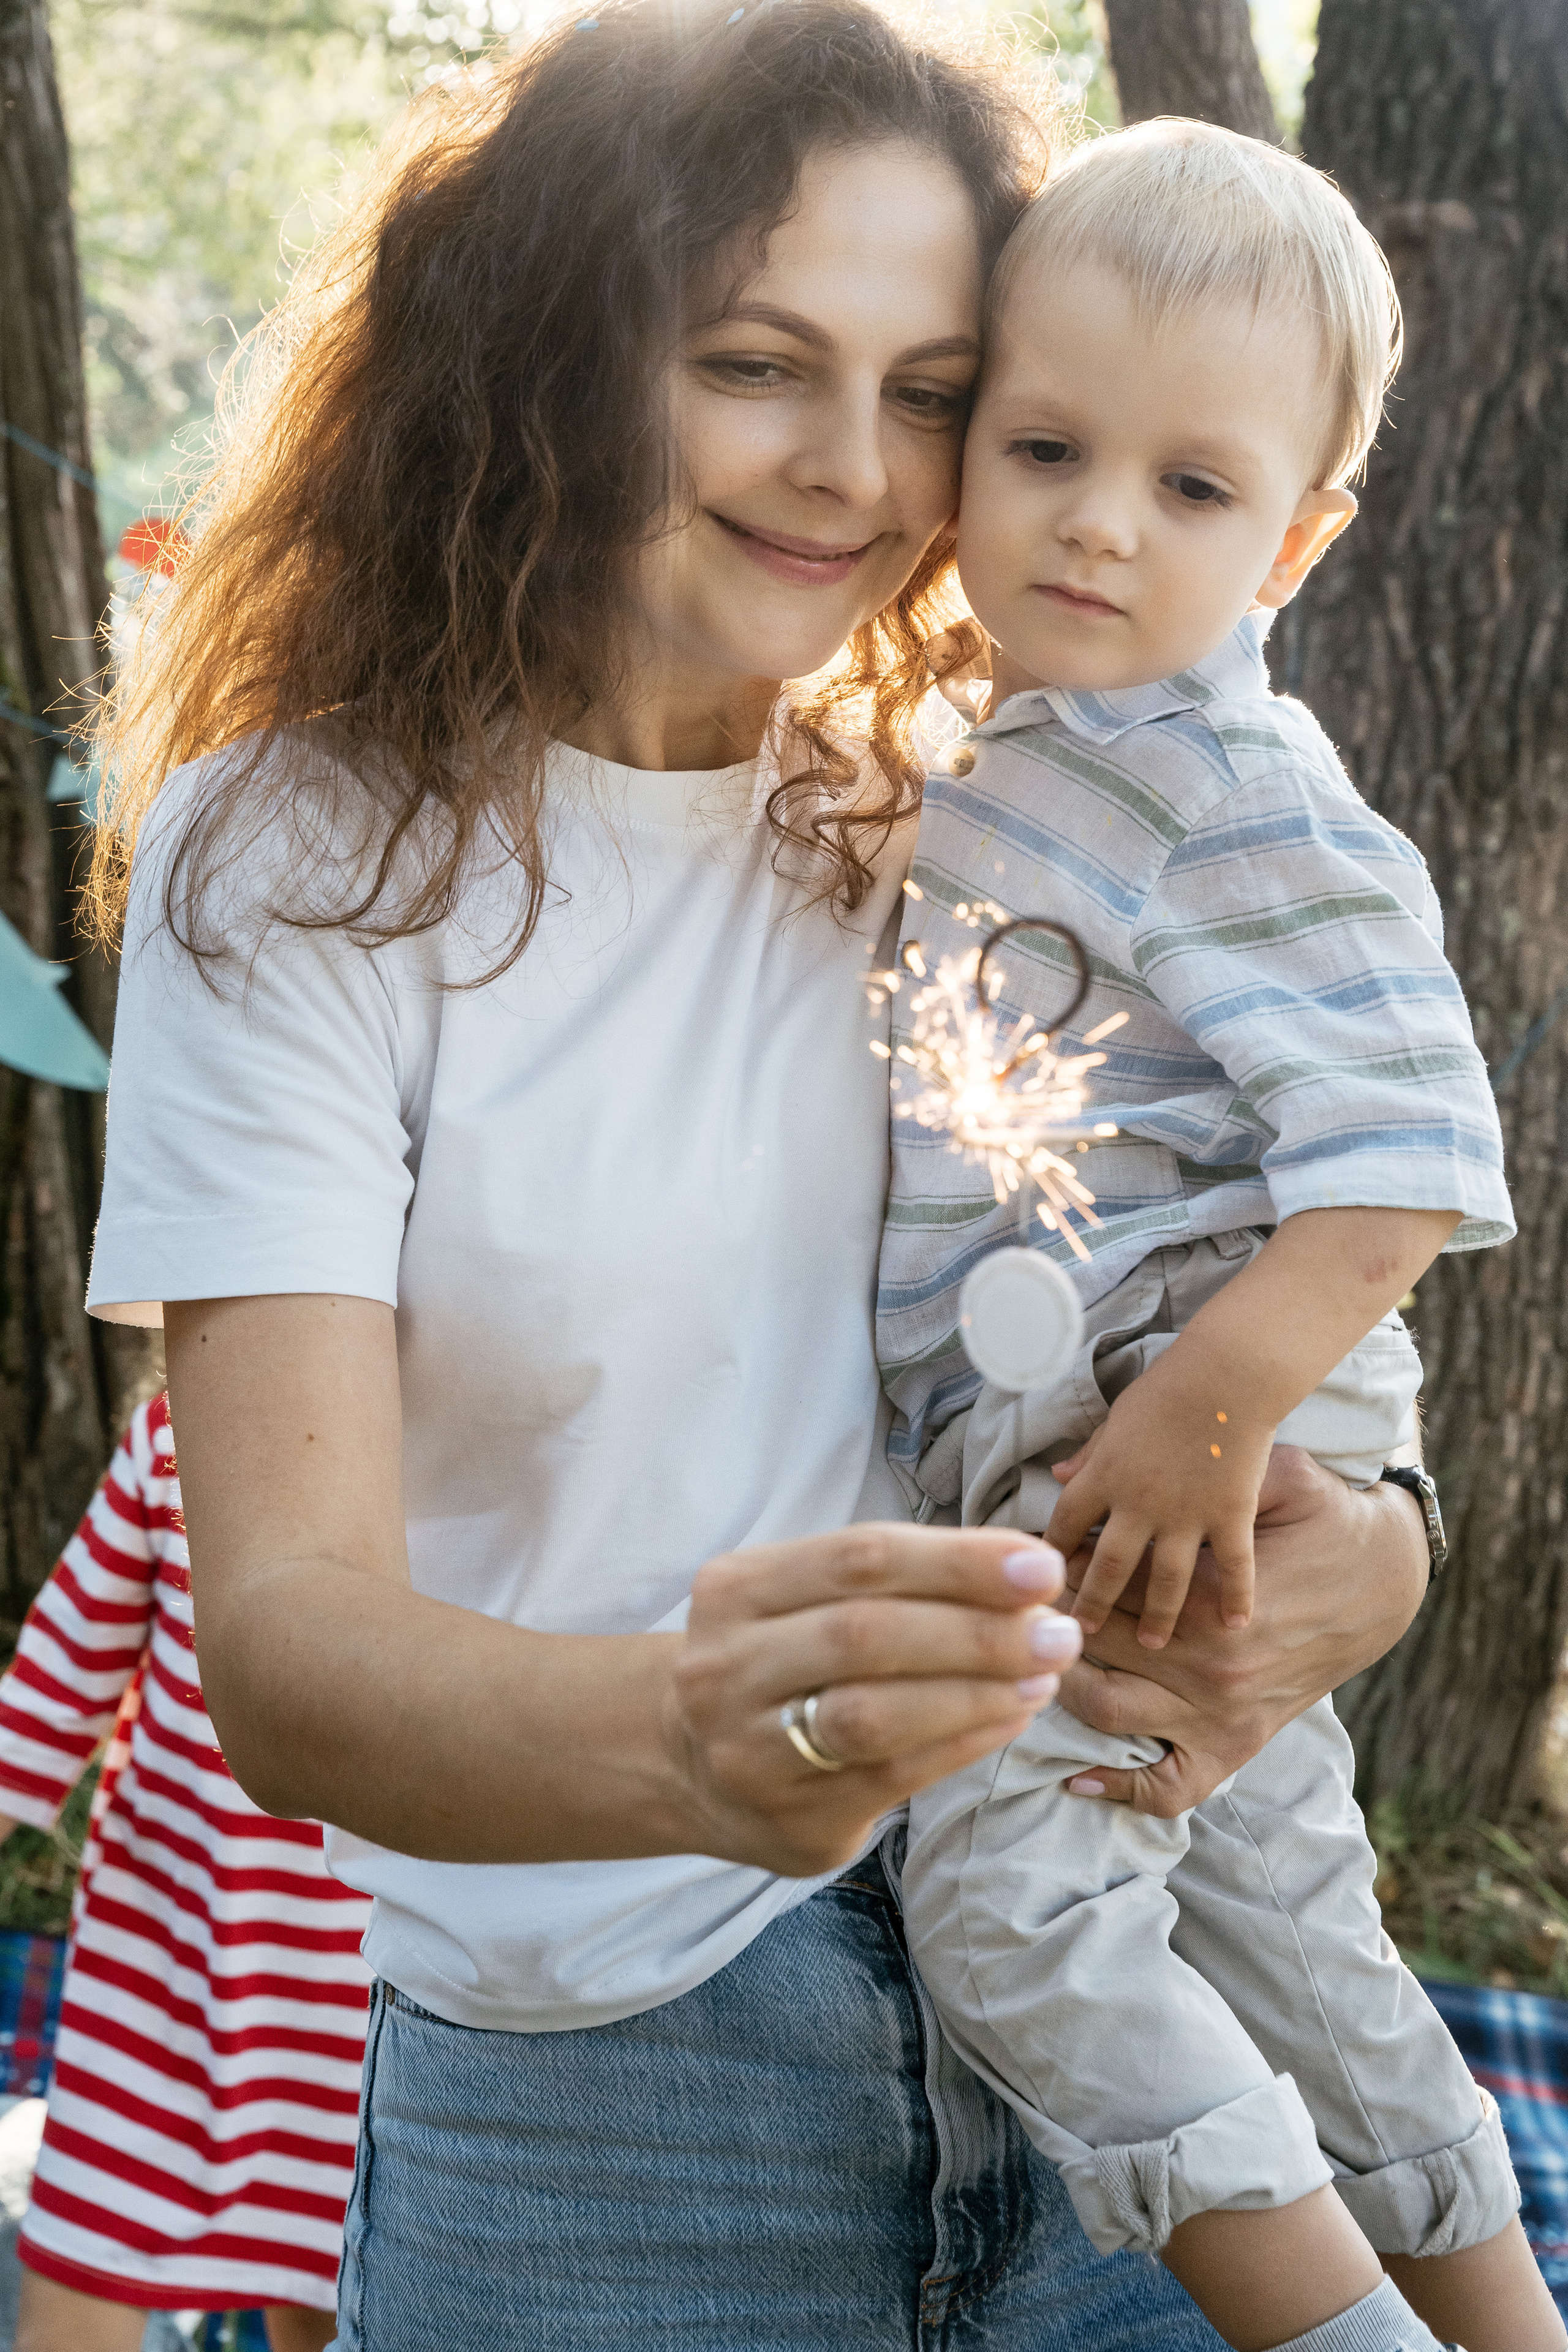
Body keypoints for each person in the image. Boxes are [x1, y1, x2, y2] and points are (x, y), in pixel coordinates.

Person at [81, 8, 1434, 2344]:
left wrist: (1374, 1565)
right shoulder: (296, 859)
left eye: (927, 389)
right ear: (552, 346)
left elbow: (1249, 1276)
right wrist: (691, 1750)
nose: (848, 467)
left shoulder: (1000, 800)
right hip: (619, 2115)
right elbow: (287, 1651)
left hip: (1143, 2013)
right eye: (754, 362)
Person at [880, 121, 1558, 2352]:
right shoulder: (1017, 743)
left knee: (1011, 1907)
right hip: (1131, 1393)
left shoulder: (1231, 783)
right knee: (1288, 1926)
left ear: (1304, 532)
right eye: (1049, 445)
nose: (1096, 518)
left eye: (1192, 488)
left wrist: (1196, 1417)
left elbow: (1410, 1162)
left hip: (1189, 1389)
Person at [0, 1396, 370, 2352]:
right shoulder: (180, 1434)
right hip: (154, 2001)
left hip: (358, 2028)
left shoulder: (484, 1465)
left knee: (332, 2310)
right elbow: (38, 1709)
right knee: (73, 2302)